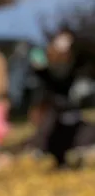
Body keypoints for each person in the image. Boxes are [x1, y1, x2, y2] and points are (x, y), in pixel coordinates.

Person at [28, 28, 91, 168]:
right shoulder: (47, 55)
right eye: (63, 39)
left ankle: (66, 159)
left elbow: (64, 80)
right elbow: (47, 80)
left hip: (65, 102)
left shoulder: (72, 58)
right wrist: (40, 70)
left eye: (68, 40)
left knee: (69, 132)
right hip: (49, 102)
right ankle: (54, 157)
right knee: (51, 131)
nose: (65, 43)